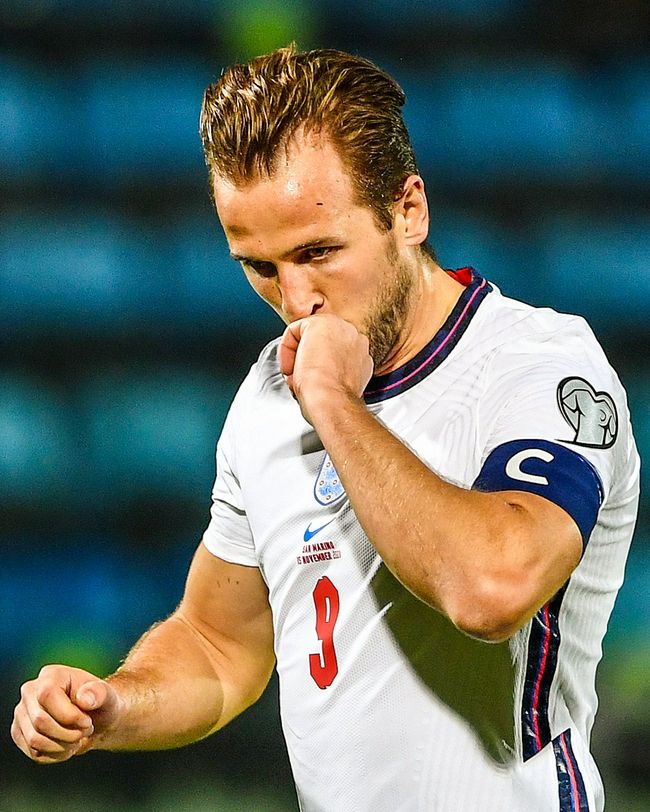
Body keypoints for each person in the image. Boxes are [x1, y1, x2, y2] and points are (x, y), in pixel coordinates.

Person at [12, 45, 639, 811]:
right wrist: (113, 706)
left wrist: (336, 406)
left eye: (319, 252)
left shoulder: (540, 366)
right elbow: (219, 647)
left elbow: (492, 586)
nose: (296, 299)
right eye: (260, 266)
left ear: (408, 210)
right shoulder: (267, 396)